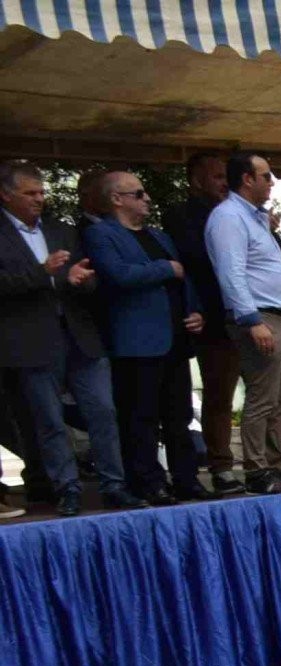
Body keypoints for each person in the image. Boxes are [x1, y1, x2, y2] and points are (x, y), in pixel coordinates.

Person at [0, 161, 137, 516]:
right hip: (32, 341)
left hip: (80, 337)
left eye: (42, 192)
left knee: (103, 412)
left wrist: (80, 279)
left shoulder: (62, 231)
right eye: (30, 193)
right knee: (48, 421)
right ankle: (67, 488)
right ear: (6, 195)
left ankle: (114, 485)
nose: (39, 199)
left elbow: (89, 277)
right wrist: (44, 275)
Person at [82, 170, 210, 505]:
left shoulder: (160, 236)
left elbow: (185, 279)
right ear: (116, 199)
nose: (147, 198)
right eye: (139, 194)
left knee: (179, 415)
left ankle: (186, 479)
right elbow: (118, 275)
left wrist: (195, 311)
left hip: (174, 339)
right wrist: (165, 269)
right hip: (136, 342)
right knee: (141, 417)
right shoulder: (102, 235)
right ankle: (148, 481)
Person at [205, 152, 281, 494]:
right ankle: (257, 470)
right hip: (259, 316)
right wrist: (250, 320)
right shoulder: (228, 217)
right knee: (262, 397)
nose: (272, 181)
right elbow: (230, 272)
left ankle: (279, 464)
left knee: (279, 398)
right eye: (265, 175)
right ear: (247, 179)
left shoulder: (253, 217)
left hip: (278, 315)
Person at [161, 151, 245, 495]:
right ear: (196, 180)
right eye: (217, 176)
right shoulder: (182, 216)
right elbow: (198, 260)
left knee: (267, 394)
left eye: (227, 176)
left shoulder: (243, 212)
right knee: (219, 394)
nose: (225, 183)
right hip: (212, 318)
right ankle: (222, 466)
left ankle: (274, 459)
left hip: (250, 314)